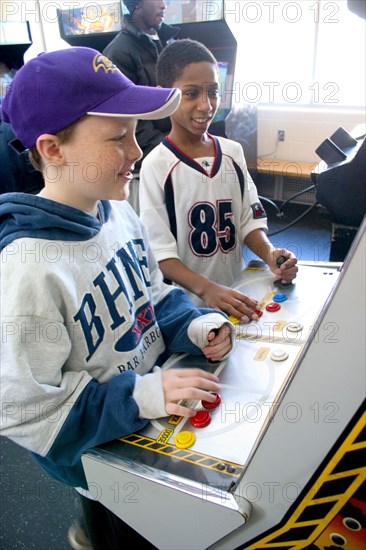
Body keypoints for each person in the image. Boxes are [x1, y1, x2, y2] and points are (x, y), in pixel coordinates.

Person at [0, 47, 236, 549]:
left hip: (146, 425)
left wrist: (193, 325)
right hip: (98, 456)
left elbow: (149, 295)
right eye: (118, 137)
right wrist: (145, 394)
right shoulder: (27, 270)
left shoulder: (118, 211)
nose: (136, 152)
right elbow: (26, 411)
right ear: (53, 148)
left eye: (135, 133)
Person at [139, 39, 298, 324]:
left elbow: (248, 222)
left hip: (237, 297)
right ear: (165, 96)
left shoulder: (233, 152)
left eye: (212, 92)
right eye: (191, 94)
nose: (206, 105)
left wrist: (270, 253)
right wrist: (208, 290)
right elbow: (161, 255)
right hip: (190, 311)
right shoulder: (156, 166)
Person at [103, 0, 179, 212]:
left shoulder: (168, 43)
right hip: (146, 162)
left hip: (172, 148)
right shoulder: (118, 52)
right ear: (137, 5)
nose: (163, 5)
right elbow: (124, 118)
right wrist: (171, 147)